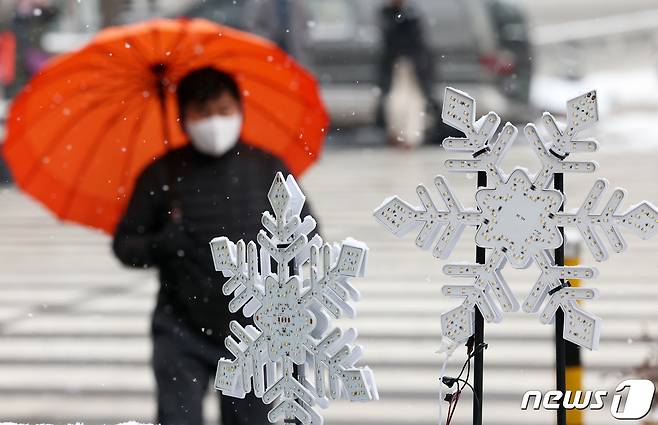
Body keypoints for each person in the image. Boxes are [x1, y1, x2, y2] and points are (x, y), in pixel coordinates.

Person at [113, 67, 316, 425]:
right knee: (178, 417)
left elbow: (308, 239)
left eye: (223, 111)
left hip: (253, 333)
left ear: (239, 110)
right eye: (202, 114)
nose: (214, 122)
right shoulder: (161, 175)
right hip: (181, 327)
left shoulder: (267, 168)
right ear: (184, 119)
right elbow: (126, 246)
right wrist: (163, 243)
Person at [377, 0, 437, 148]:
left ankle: (410, 136)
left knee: (413, 102)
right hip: (397, 65)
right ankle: (400, 133)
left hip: (413, 65)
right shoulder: (390, 15)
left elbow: (418, 42)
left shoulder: (410, 15)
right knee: (396, 102)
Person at [244, 0, 312, 66]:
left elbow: (305, 25)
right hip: (269, 52)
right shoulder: (261, 4)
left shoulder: (298, 4)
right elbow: (253, 27)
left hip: (292, 54)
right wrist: (269, 38)